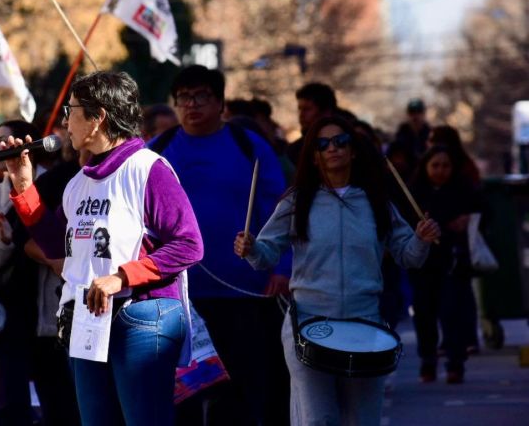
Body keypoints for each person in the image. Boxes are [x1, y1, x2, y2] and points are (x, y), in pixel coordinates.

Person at [5, 71, 203, 426]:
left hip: (142, 313)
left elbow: (188, 244)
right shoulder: (78, 182)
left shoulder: (147, 169)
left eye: (72, 110)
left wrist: (121, 277)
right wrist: (23, 186)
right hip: (87, 316)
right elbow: (57, 247)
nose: (66, 121)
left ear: (98, 119)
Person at [234, 116, 441, 426]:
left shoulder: (377, 202)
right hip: (309, 321)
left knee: (362, 420)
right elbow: (266, 255)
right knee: (318, 420)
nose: (333, 148)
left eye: (341, 142)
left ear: (353, 151)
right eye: (323, 144)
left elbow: (408, 257)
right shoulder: (297, 201)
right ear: (314, 156)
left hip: (365, 321)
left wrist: (421, 240)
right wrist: (250, 249)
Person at [149, 65, 289, 426]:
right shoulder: (157, 150)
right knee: (182, 393)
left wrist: (283, 266)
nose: (191, 105)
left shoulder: (249, 146)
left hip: (244, 292)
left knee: (242, 391)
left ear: (220, 102)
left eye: (201, 96)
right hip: (176, 296)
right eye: (183, 98)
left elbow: (281, 213)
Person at [0, 120, 79, 426]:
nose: (1, 149)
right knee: (10, 409)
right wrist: (2, 242)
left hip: (50, 319)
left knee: (61, 406)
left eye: (9, 141)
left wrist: (50, 256)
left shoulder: (58, 184)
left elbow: (66, 245)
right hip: (7, 319)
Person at [407, 146, 481, 384]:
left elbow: (484, 211)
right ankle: (428, 361)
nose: (440, 171)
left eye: (445, 166)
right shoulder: (415, 192)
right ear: (426, 167)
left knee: (452, 313)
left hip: (452, 261)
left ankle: (455, 363)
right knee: (424, 314)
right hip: (423, 264)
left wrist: (468, 219)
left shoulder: (462, 189)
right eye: (435, 165)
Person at [286, 82, 337, 165]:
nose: (301, 115)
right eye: (300, 109)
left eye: (307, 109)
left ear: (326, 112)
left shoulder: (346, 142)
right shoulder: (294, 150)